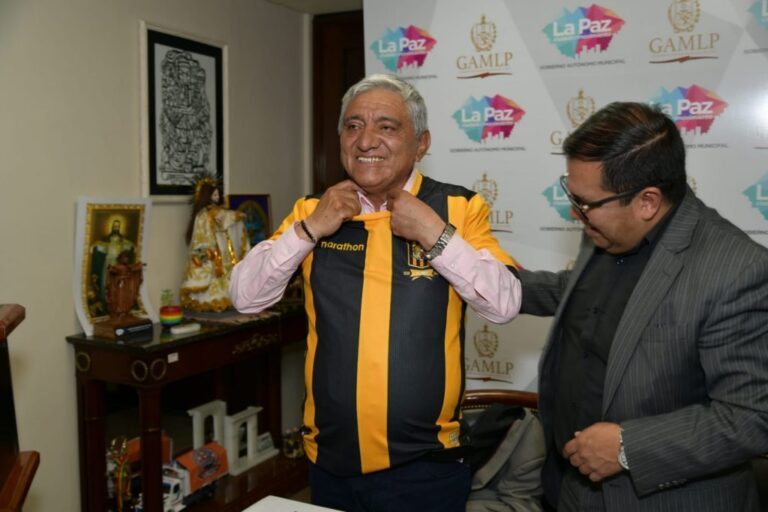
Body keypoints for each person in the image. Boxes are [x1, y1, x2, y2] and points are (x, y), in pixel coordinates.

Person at [229, 74, 522, 512]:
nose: (366, 140)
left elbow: (505, 303)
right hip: (330, 462)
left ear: (421, 143)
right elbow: (245, 297)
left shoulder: (458, 208)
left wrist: (433, 233)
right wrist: (310, 228)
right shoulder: (313, 209)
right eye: (353, 126)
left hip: (426, 467)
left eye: (386, 126)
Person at [519, 102, 768, 511]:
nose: (576, 212)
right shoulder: (606, 223)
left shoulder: (737, 271)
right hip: (569, 489)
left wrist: (626, 448)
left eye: (585, 203)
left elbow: (752, 415)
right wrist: (499, 283)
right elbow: (585, 294)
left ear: (647, 201)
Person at [180, 177, 249, 312]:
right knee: (212, 273)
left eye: (218, 194)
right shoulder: (205, 214)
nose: (217, 197)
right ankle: (209, 299)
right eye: (214, 194)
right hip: (212, 247)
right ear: (207, 196)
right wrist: (237, 215)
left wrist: (236, 216)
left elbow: (225, 217)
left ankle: (224, 296)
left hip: (221, 245)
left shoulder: (213, 211)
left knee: (223, 272)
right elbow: (222, 218)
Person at [90, 219, 135, 313]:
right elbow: (100, 245)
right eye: (115, 226)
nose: (116, 227)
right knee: (106, 281)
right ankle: (106, 301)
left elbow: (129, 244)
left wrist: (134, 246)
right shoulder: (107, 241)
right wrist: (93, 246)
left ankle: (117, 302)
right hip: (108, 264)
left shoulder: (122, 241)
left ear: (119, 227)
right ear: (112, 227)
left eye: (117, 226)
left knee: (117, 283)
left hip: (118, 265)